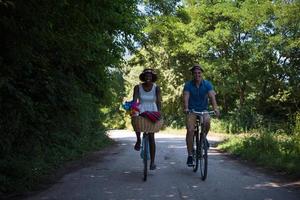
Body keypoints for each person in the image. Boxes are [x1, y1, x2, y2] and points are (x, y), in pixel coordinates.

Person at [183, 64, 220, 167]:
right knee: (190, 130)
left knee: (207, 121)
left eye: (199, 73)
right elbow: (186, 97)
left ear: (201, 74)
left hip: (203, 110)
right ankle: (190, 155)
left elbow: (212, 97)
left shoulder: (207, 84)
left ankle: (203, 137)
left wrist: (215, 109)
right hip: (192, 110)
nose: (197, 75)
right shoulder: (188, 85)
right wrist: (186, 108)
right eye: (195, 73)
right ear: (192, 74)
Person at [132, 68, 162, 170]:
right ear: (143, 77)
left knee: (151, 137)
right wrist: (133, 109)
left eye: (150, 76)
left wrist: (159, 112)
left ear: (152, 77)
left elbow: (159, 102)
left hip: (153, 109)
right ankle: (138, 140)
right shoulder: (137, 87)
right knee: (135, 119)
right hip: (141, 108)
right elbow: (134, 100)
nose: (148, 77)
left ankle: (152, 162)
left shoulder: (156, 88)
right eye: (146, 76)